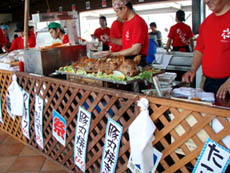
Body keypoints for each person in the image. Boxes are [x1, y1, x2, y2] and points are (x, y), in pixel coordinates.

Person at [183, 0, 230, 99]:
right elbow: (200, 49)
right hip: (208, 82)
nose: (206, 1)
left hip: (227, 84)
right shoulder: (207, 22)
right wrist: (193, 70)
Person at [101, 0, 149, 67]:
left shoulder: (137, 22)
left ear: (124, 8)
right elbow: (125, 41)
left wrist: (113, 54)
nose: (116, 14)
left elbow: (136, 49)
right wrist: (110, 39)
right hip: (127, 59)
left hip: (136, 61)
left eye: (117, 11)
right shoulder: (126, 22)